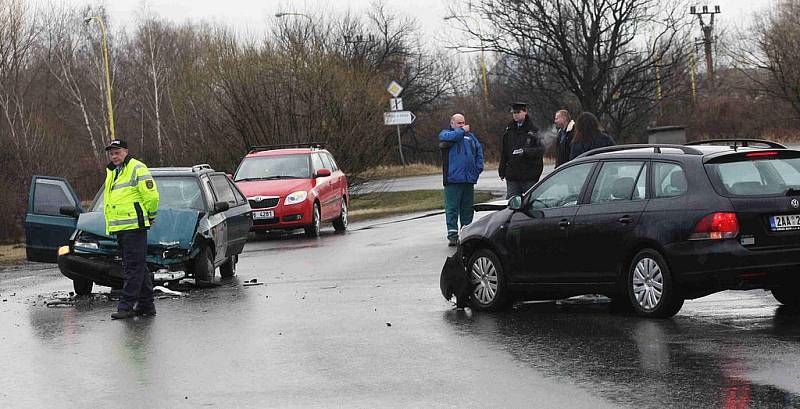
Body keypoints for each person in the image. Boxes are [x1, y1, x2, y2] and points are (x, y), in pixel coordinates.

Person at [104, 139, 160, 320]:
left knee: (132, 267)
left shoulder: (137, 168)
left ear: (126, 151)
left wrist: (150, 216)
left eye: (117, 152)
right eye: (111, 153)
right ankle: (146, 305)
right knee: (138, 266)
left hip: (134, 227)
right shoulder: (113, 172)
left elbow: (151, 196)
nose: (114, 155)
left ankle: (126, 306)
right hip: (122, 228)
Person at [439, 113, 484, 247]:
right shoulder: (447, 135)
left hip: (468, 179)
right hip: (453, 179)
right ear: (452, 123)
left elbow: (479, 151)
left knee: (467, 209)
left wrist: (478, 168)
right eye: (459, 123)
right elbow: (446, 138)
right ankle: (452, 236)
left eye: (463, 122)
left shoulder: (470, 137)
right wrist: (461, 131)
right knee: (452, 208)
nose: (462, 125)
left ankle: (466, 233)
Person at [499, 102, 545, 199]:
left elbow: (541, 150)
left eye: (518, 112)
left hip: (529, 174)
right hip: (513, 174)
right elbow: (504, 152)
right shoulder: (509, 130)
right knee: (512, 203)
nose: (515, 115)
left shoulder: (533, 130)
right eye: (514, 113)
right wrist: (502, 170)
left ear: (525, 112)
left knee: (530, 202)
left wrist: (525, 152)